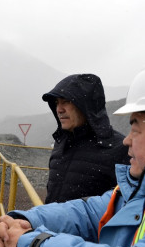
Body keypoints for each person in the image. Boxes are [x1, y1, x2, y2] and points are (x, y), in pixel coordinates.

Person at [0, 57, 145, 247]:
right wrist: (24, 219)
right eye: (57, 103)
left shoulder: (120, 155)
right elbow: (87, 211)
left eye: (135, 129)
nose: (128, 140)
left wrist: (29, 243)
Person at [42, 74, 130, 204]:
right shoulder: (61, 143)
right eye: (56, 103)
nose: (59, 109)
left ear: (86, 106)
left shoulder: (120, 149)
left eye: (66, 101)